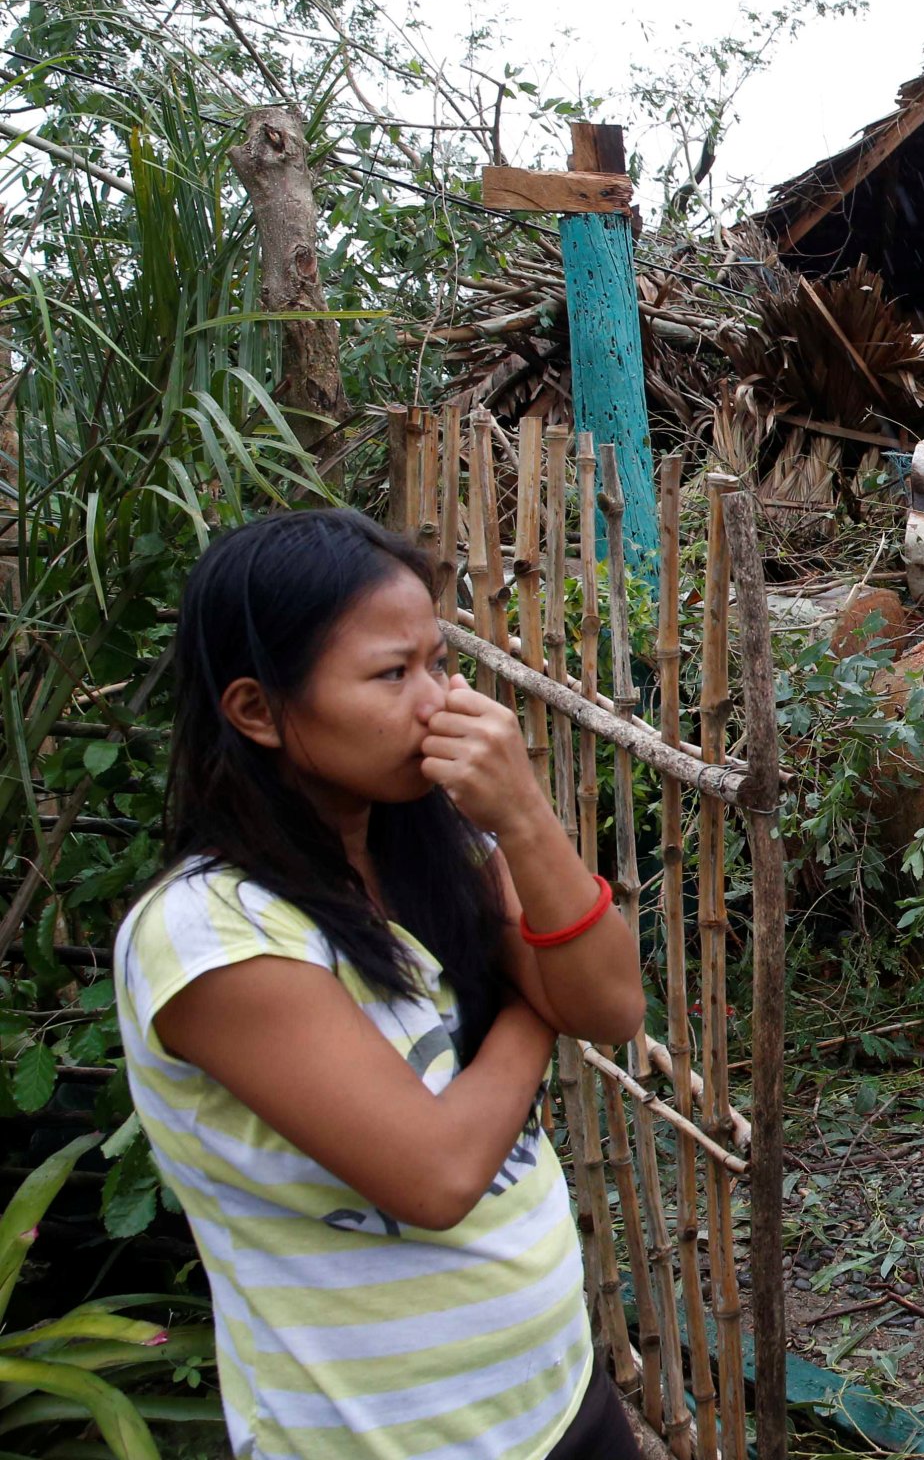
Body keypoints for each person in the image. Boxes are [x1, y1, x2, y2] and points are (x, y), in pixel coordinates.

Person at [113, 509, 650, 1459]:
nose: (438, 702)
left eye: (438, 663)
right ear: (256, 710)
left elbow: (610, 1007)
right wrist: (533, 1008)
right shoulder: (209, 933)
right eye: (391, 675)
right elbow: (435, 1174)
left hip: (562, 1402)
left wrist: (525, 816)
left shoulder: (436, 842)